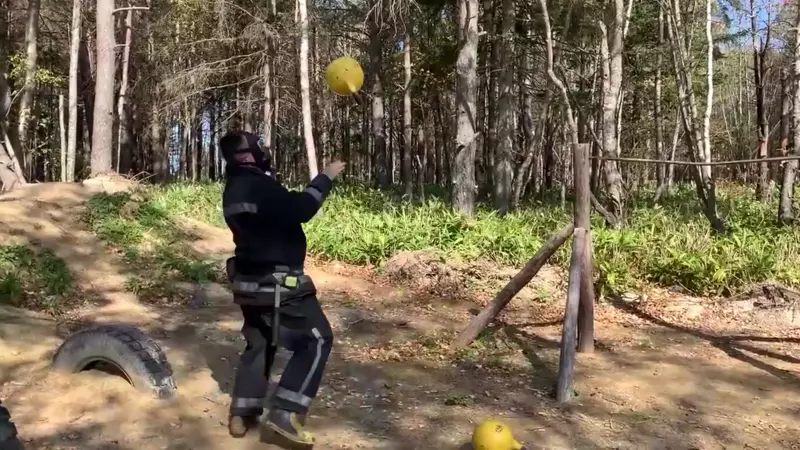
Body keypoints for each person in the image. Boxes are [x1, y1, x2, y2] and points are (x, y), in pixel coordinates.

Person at [220, 130, 345, 449]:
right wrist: (326, 177)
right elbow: (301, 209)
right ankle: (286, 414)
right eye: (257, 147)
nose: (264, 150)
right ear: (246, 156)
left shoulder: (236, 187)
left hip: (249, 283)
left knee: (260, 341)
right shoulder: (256, 185)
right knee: (318, 339)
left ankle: (243, 411)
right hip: (278, 283)